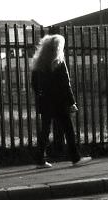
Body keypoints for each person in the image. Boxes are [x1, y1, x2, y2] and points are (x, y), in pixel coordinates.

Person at [31, 34, 91, 168]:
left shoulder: (38, 62)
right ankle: (75, 158)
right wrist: (72, 102)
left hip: (45, 101)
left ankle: (40, 159)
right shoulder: (58, 61)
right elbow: (65, 84)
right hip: (59, 101)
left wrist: (41, 95)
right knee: (68, 129)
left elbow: (34, 83)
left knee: (45, 130)